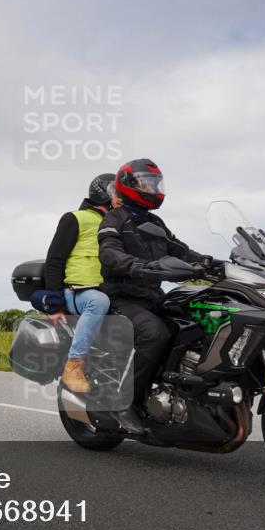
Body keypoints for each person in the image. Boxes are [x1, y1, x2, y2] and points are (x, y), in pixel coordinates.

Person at [98, 159, 210, 432]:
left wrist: (211, 263)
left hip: (152, 297)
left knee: (198, 324)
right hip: (121, 297)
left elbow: (179, 250)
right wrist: (135, 265)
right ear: (128, 185)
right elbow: (108, 252)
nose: (153, 188)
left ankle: (184, 391)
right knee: (154, 334)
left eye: (155, 183)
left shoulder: (155, 221)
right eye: (147, 182)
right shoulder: (115, 217)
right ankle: (124, 402)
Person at [40, 173, 118, 394]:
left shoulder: (117, 224)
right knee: (98, 301)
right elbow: (54, 260)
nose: (120, 197)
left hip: (107, 289)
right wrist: (54, 304)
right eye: (116, 192)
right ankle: (73, 365)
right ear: (103, 193)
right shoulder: (75, 218)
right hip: (77, 292)